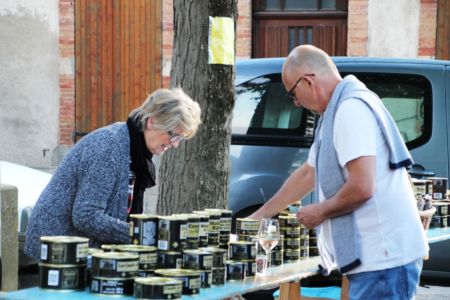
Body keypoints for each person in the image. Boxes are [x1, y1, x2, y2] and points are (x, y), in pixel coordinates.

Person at [249, 45, 428, 299]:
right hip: (378, 260)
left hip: (384, 260)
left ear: (308, 81)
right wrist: (261, 214)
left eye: (293, 93)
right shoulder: (335, 111)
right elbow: (308, 173)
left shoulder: (349, 110)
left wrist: (320, 211)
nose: (297, 103)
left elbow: (363, 186)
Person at [25, 88, 201, 259]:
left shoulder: (136, 150)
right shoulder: (109, 147)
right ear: (151, 122)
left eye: (180, 138)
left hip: (79, 250)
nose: (175, 144)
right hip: (56, 251)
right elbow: (85, 216)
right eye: (173, 135)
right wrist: (142, 234)